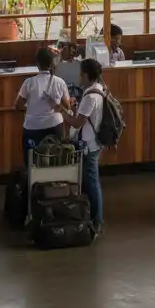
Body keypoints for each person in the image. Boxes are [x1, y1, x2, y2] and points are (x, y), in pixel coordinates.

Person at [54, 58, 105, 233]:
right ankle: (92, 217)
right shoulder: (98, 90)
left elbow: (77, 123)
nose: (79, 76)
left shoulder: (90, 96)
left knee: (91, 183)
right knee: (90, 181)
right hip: (94, 143)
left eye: (81, 73)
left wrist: (61, 110)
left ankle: (97, 221)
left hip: (88, 145)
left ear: (85, 75)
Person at [15, 47, 70, 162]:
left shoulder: (29, 83)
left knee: (32, 161)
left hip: (33, 127)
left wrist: (31, 108)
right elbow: (67, 107)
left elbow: (18, 105)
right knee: (55, 159)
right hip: (55, 126)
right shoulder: (60, 82)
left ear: (37, 63)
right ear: (52, 63)